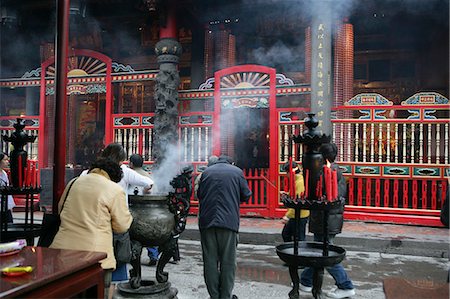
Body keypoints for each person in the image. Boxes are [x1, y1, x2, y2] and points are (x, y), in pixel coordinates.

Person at [50, 158, 133, 298]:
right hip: (94, 255)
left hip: (62, 249)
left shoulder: (74, 183)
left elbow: (60, 209)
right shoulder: (114, 189)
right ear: (113, 177)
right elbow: (122, 226)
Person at [81, 143, 153, 289]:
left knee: (93, 267)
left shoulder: (87, 173)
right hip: (114, 224)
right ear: (120, 161)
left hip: (90, 223)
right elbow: (148, 182)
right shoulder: (124, 172)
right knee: (115, 263)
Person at [300, 143, 355, 298]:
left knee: (325, 255)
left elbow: (319, 196)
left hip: (325, 220)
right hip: (331, 219)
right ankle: (305, 281)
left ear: (321, 157)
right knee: (320, 251)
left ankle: (345, 285)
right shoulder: (337, 170)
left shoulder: (327, 172)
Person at [197, 155, 252, 299]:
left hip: (207, 221)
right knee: (228, 262)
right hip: (228, 222)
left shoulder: (206, 173)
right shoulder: (236, 172)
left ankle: (214, 295)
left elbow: (199, 194)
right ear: (231, 162)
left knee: (210, 261)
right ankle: (225, 296)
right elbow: (246, 195)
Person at [127, 153, 159, 266]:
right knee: (149, 233)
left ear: (131, 163)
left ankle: (131, 254)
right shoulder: (148, 176)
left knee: (131, 234)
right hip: (147, 209)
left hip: (132, 208)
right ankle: (153, 255)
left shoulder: (129, 175)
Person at [281, 161, 309, 242]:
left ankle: (297, 253)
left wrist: (287, 216)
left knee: (298, 238)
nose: (287, 175)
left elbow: (297, 201)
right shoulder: (298, 179)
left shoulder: (299, 182)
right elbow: (294, 195)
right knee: (287, 234)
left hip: (299, 214)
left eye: (287, 172)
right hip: (297, 213)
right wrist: (287, 194)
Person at [0, 153, 14, 223]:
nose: (7, 162)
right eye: (5, 160)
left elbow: (7, 190)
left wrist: (10, 205)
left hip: (5, 205)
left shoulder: (4, 173)